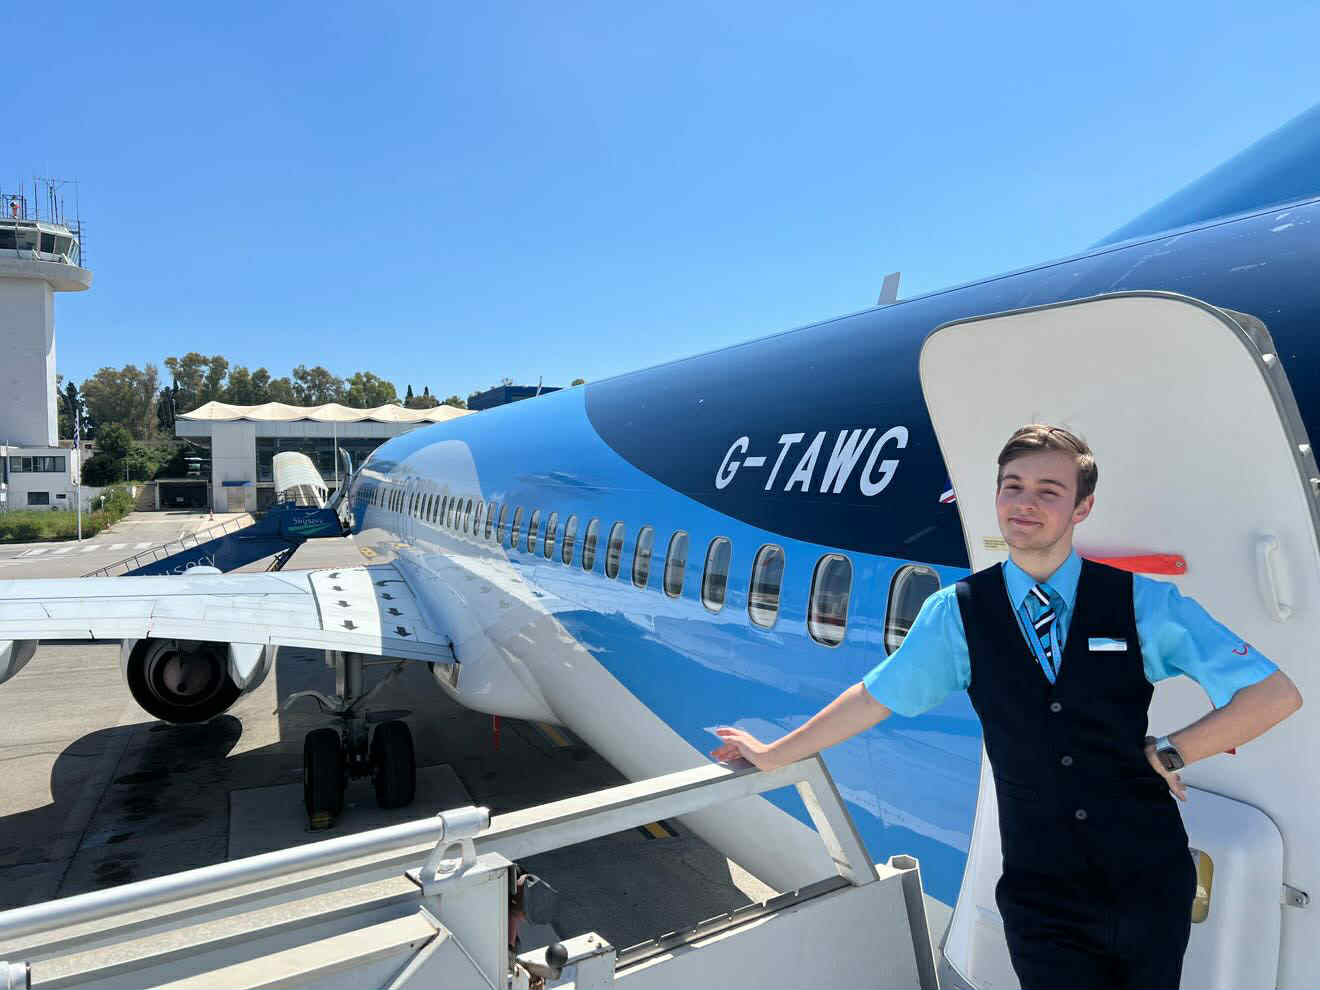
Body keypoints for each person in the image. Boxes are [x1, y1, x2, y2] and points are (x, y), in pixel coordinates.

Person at [711, 424, 1302, 989]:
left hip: (1147, 879)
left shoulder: (1142, 604)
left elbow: (1274, 694)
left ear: (1082, 509)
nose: (1025, 503)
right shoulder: (958, 612)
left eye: (1049, 491)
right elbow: (875, 696)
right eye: (1012, 487)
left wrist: (1174, 751)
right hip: (1041, 890)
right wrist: (773, 753)